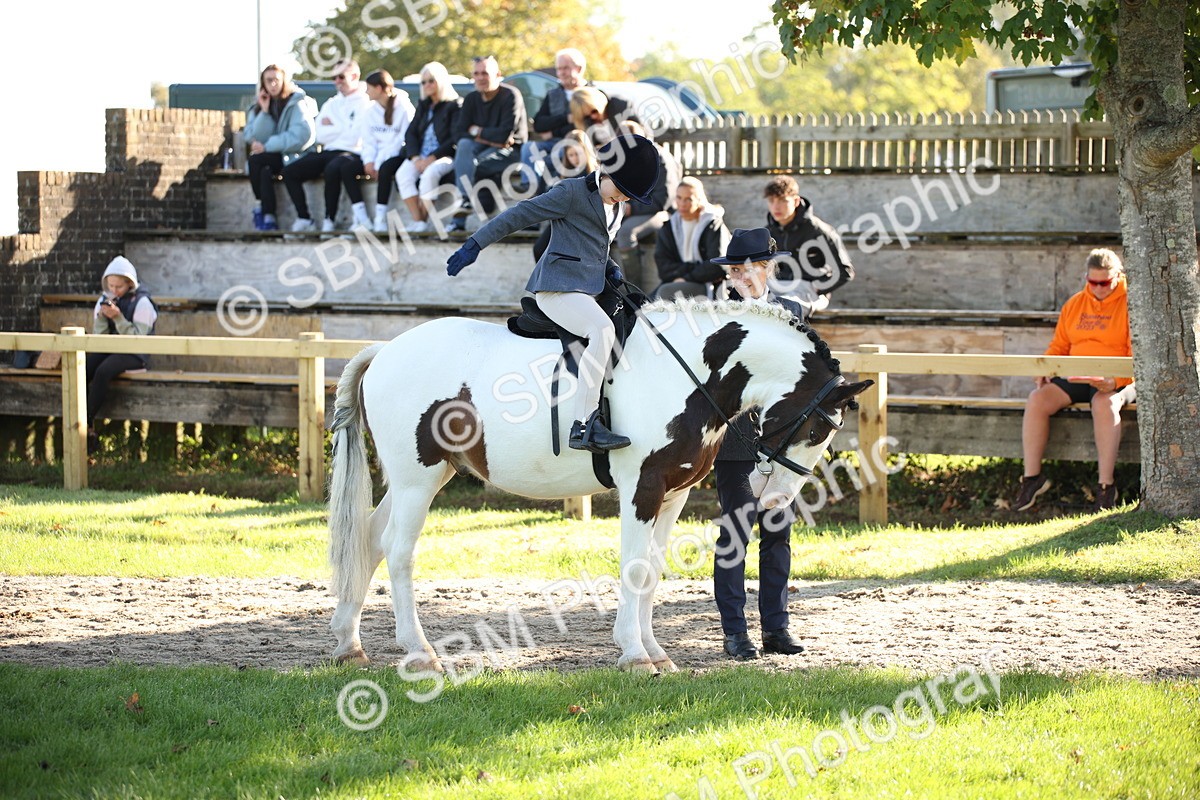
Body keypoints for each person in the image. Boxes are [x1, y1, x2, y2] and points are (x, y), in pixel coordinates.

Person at [445, 134, 661, 453]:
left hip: (590, 289)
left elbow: (597, 246)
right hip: (556, 288)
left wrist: (611, 268)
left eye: (630, 197)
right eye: (622, 191)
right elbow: (518, 215)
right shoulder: (570, 192)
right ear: (605, 171)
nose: (624, 200)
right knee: (601, 330)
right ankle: (584, 425)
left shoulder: (615, 207)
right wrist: (475, 244)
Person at [709, 228, 807, 660]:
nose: (741, 277)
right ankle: (735, 632)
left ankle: (776, 628)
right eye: (735, 271)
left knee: (778, 534)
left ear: (767, 269)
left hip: (779, 446)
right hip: (734, 439)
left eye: (748, 269)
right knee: (734, 532)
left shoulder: (792, 311)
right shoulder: (716, 315)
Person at [1013, 248, 1135, 513]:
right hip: (1079, 374)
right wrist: (1045, 367)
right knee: (1037, 398)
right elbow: (1059, 345)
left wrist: (1115, 380)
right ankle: (1032, 478)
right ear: (1086, 278)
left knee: (1104, 404)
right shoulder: (1075, 304)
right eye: (1093, 282)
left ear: (1118, 276)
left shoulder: (1131, 304)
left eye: (1105, 282)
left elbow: (1136, 357)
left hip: (1118, 378)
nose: (1099, 288)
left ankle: (1106, 486)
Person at [281, 59, 372, 233]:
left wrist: (334, 125)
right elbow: (320, 134)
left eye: (341, 77)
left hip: (352, 153)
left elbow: (356, 136)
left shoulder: (365, 102)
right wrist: (344, 126)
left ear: (354, 76)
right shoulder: (331, 103)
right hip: (328, 151)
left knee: (333, 168)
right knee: (289, 171)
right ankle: (304, 218)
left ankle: (329, 219)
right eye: (334, 78)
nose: (336, 81)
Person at [86, 256, 158, 454]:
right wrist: (102, 318)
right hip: (112, 348)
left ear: (129, 284)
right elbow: (99, 338)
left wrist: (118, 318)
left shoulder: (143, 303)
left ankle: (84, 420)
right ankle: (88, 425)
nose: (114, 290)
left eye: (119, 286)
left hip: (135, 353)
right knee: (84, 368)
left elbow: (138, 339)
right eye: (111, 286)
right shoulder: (104, 300)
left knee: (103, 372)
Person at [380, 62, 461, 234]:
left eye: (431, 80)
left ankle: (421, 222)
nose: (427, 85)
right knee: (403, 175)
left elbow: (455, 137)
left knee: (429, 175)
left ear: (441, 81)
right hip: (420, 156)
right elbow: (411, 134)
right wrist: (415, 157)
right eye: (423, 82)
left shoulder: (454, 105)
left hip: (445, 156)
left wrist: (432, 158)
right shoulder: (424, 106)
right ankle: (419, 221)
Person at [448, 56, 528, 232]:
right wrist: (487, 138)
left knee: (473, 165)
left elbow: (504, 135)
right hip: (485, 147)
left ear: (498, 74)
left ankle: (459, 222)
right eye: (476, 73)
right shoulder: (471, 99)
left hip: (513, 152)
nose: (480, 77)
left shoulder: (511, 95)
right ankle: (465, 201)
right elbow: (459, 133)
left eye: (485, 73)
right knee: (463, 145)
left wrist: (476, 131)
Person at [763, 175, 854, 320]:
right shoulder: (767, 233)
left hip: (807, 291)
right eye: (771, 201)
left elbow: (845, 271)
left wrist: (817, 287)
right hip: (775, 288)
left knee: (785, 311)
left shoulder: (819, 231)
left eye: (782, 200)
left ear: (796, 201)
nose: (776, 207)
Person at [244, 65, 317, 231]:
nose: (273, 84)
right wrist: (264, 112)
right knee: (261, 168)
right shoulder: (259, 105)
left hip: (296, 155)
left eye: (277, 80)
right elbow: (251, 135)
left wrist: (267, 146)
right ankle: (267, 215)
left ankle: (263, 210)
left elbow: (302, 136)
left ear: (284, 81)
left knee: (258, 161)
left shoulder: (296, 102)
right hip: (275, 155)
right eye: (269, 80)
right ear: (263, 83)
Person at [613, 120, 680, 278]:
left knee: (626, 233)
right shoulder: (624, 158)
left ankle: (634, 290)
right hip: (629, 209)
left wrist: (632, 208)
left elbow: (664, 199)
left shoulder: (660, 158)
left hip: (661, 211)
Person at [651, 176, 730, 300]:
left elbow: (718, 265)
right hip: (678, 280)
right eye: (679, 198)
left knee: (665, 293)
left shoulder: (712, 224)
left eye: (688, 199)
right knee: (643, 304)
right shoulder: (669, 226)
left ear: (699, 200)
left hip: (707, 284)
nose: (682, 204)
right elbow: (663, 267)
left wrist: (686, 277)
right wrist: (688, 272)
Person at [520, 48, 588, 193]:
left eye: (566, 68)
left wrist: (553, 130)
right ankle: (529, 187)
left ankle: (546, 193)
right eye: (559, 69)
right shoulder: (553, 94)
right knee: (528, 148)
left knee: (554, 157)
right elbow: (539, 124)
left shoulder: (590, 94)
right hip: (554, 142)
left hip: (578, 144)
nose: (561, 73)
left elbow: (583, 125)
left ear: (579, 68)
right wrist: (566, 118)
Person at [358, 69, 415, 232]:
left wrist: (379, 161)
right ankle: (359, 219)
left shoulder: (404, 107)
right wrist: (369, 160)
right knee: (346, 168)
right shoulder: (369, 111)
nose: (366, 92)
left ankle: (380, 218)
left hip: (399, 155)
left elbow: (404, 139)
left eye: (369, 88)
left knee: (385, 169)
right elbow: (368, 140)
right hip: (378, 157)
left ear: (379, 88)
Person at [531, 130, 599, 260]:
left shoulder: (597, 173)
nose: (575, 159)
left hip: (587, 224)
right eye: (571, 155)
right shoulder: (564, 173)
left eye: (578, 154)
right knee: (539, 249)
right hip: (564, 221)